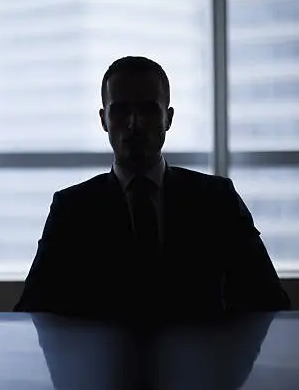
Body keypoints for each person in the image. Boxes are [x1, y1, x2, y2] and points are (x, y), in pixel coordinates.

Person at [15, 56, 289, 315]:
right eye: (121, 110)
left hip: (200, 364)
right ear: (104, 121)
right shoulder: (71, 210)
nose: (134, 124)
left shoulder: (217, 200)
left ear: (168, 118)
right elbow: (33, 309)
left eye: (147, 109)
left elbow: (268, 299)